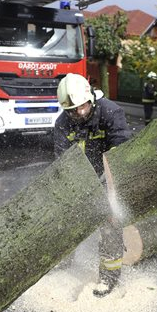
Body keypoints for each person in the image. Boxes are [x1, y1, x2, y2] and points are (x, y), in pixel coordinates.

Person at [53, 73, 133, 297]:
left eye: (82, 107)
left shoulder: (110, 112)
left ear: (91, 99)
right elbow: (63, 163)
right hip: (83, 177)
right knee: (65, 218)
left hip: (109, 175)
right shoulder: (62, 124)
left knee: (110, 225)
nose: (78, 113)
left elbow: (121, 155)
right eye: (72, 110)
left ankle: (108, 278)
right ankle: (63, 259)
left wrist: (111, 197)